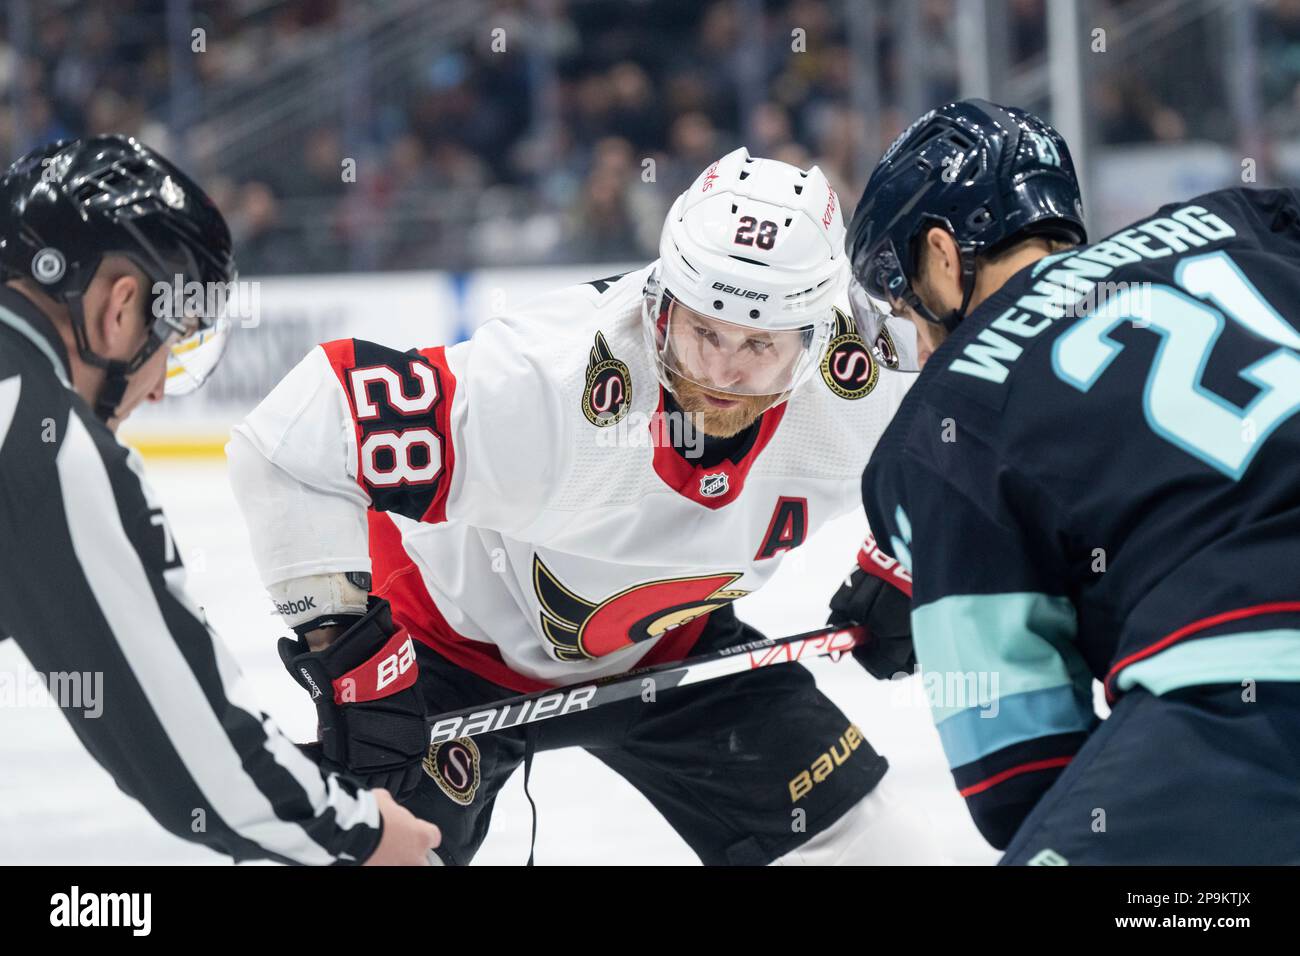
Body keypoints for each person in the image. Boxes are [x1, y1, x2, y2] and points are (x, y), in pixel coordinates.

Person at [226, 148, 943, 865]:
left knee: (873, 852)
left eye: (760, 343)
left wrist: (910, 559)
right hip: (442, 653)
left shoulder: (867, 381)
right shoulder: (547, 380)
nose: (724, 372)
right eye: (704, 332)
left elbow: (984, 430)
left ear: (815, 339)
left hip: (673, 651)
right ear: (660, 305)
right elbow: (299, 429)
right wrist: (356, 667)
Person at [840, 98, 1300, 863]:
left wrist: (950, 565)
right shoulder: (1242, 221)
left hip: (1251, 698)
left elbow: (1018, 775)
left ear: (944, 256)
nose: (923, 350)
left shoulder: (939, 417)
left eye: (908, 312)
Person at [0, 135, 440, 865]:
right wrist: (363, 833)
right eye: (171, 340)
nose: (163, 384)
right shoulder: (47, 444)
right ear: (121, 309)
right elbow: (195, 762)